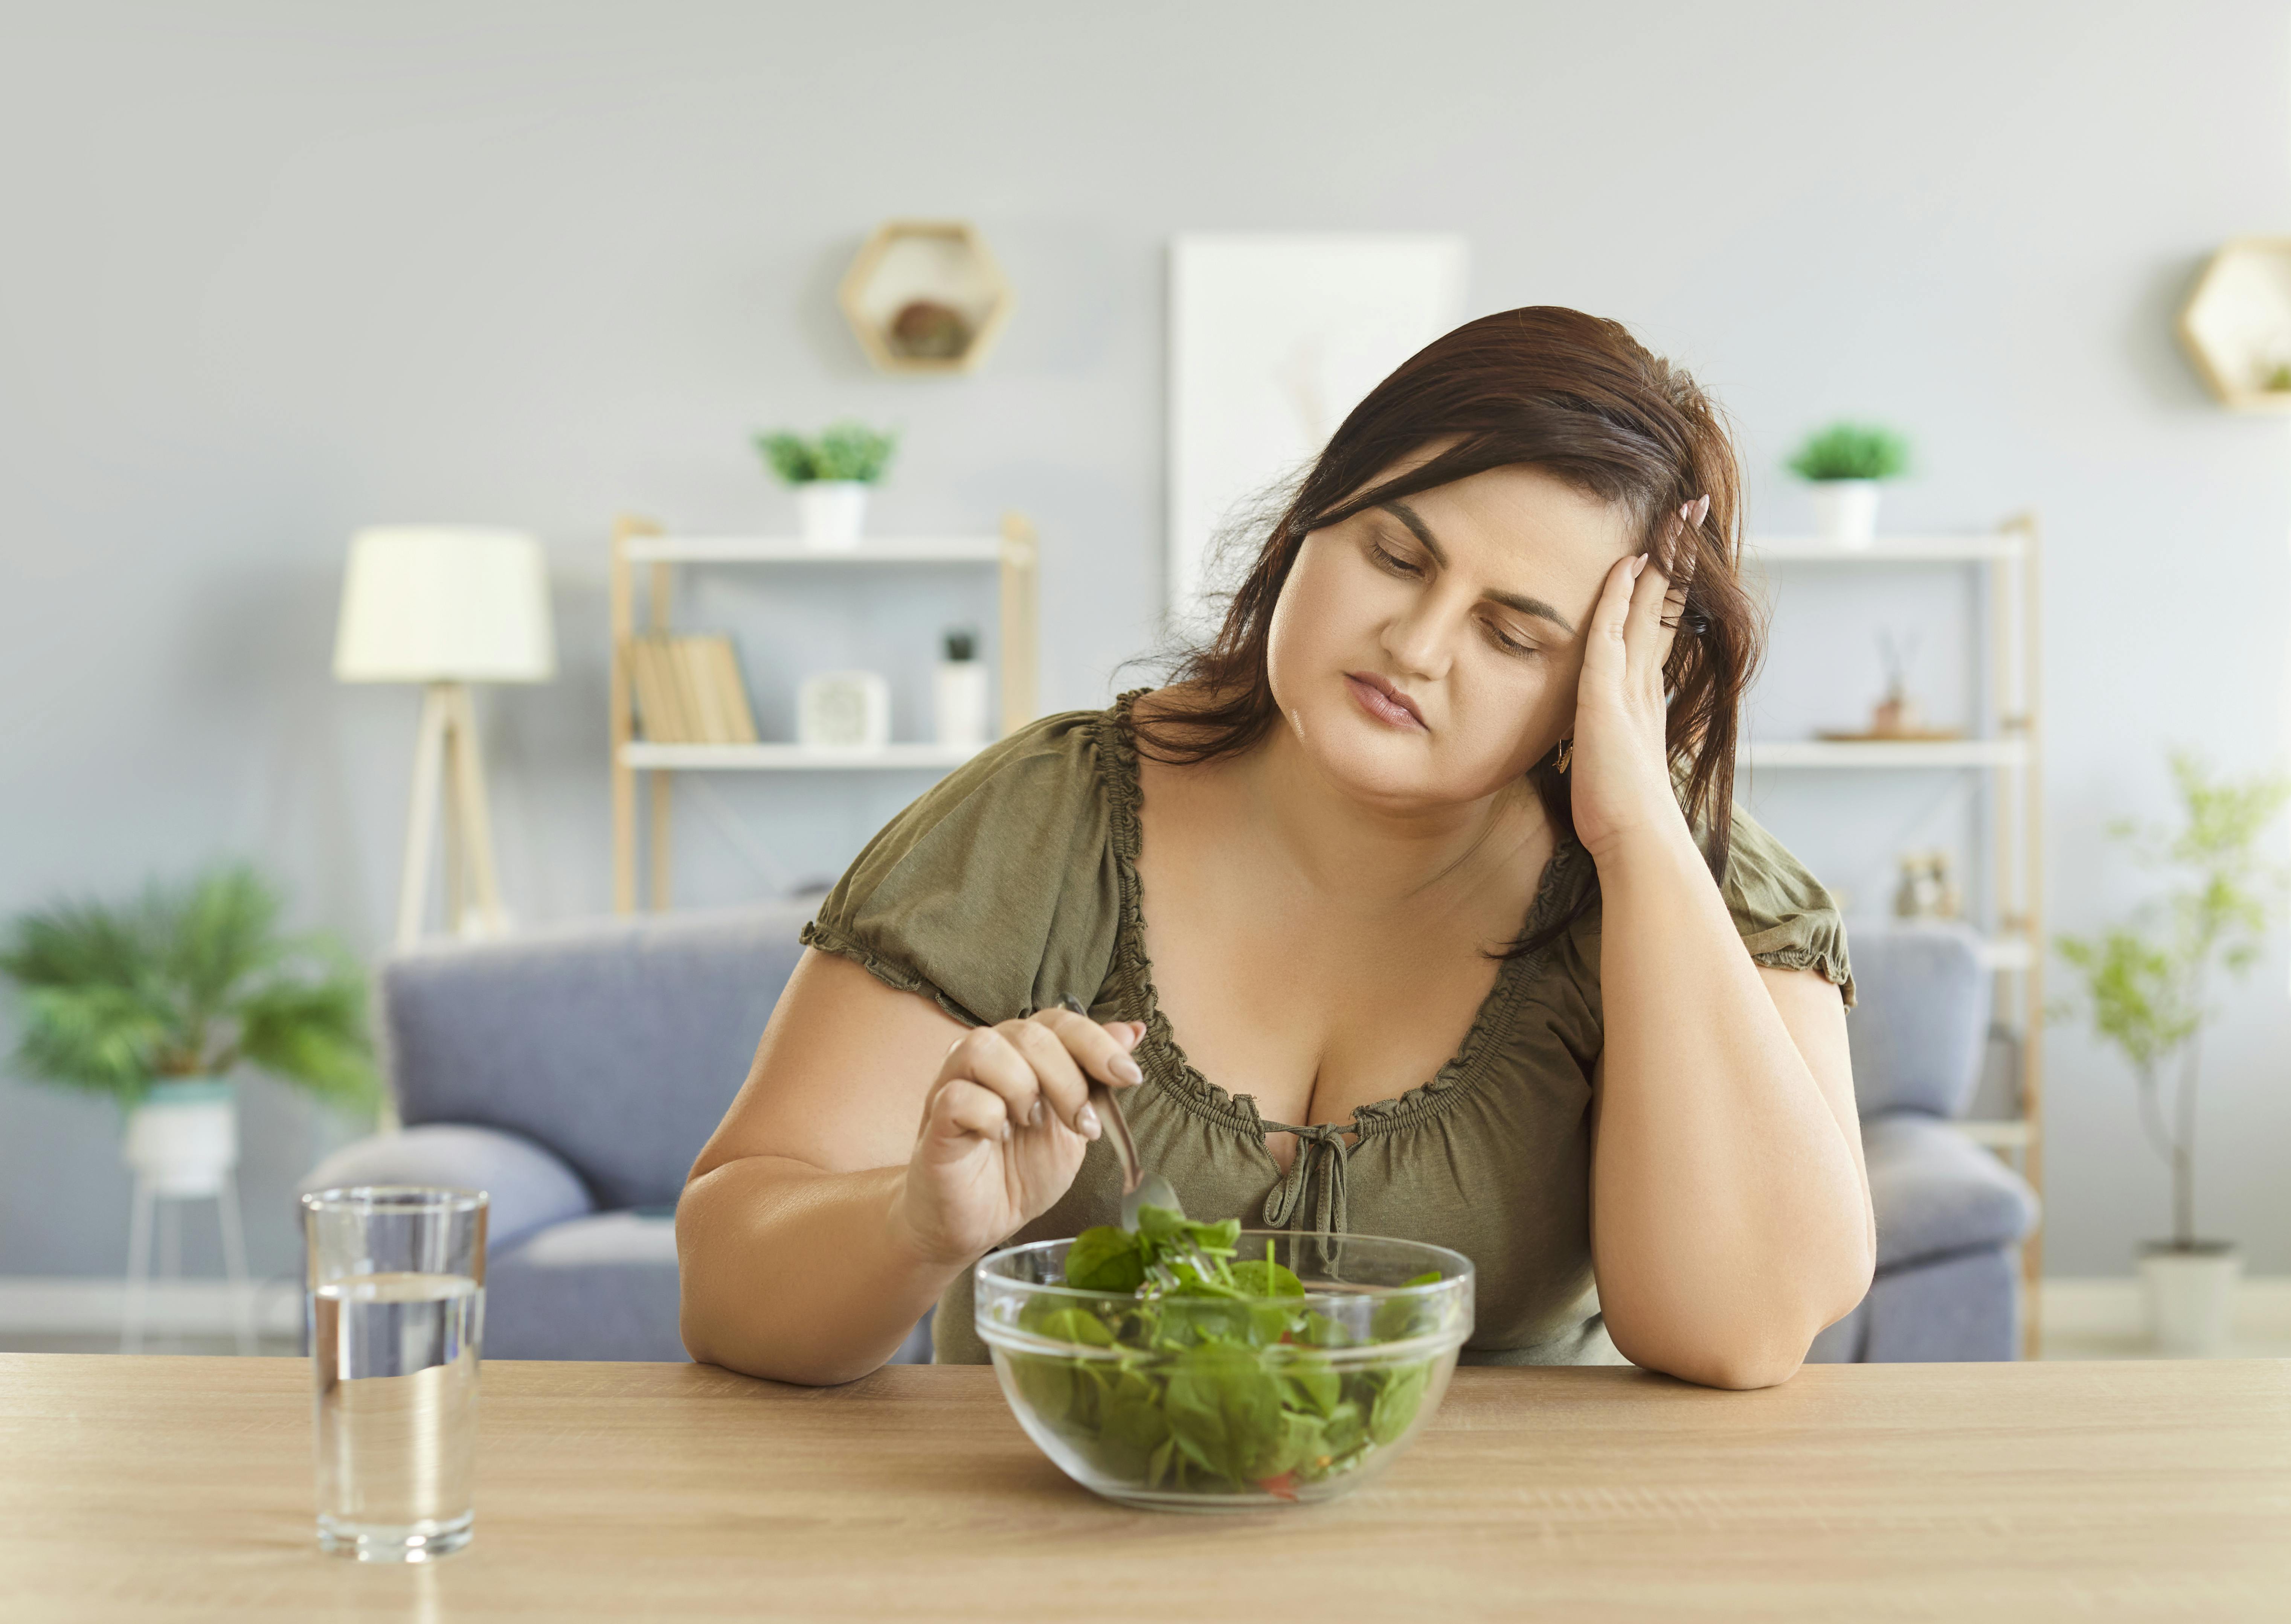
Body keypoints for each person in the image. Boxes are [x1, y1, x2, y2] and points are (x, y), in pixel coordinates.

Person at [677, 306, 1875, 1389]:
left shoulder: (1696, 883)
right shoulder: (1040, 822)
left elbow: (1739, 1332)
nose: (1414, 643)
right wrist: (911, 1224)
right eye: (1395, 557)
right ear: (1309, 519)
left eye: (1513, 634)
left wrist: (1636, 836)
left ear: (1602, 682)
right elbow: (726, 1289)